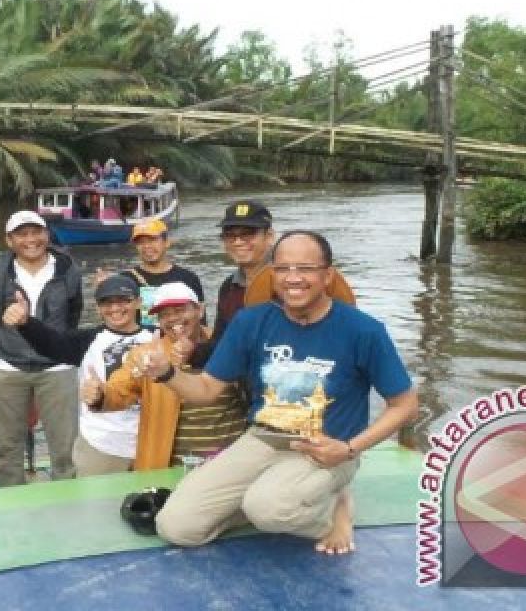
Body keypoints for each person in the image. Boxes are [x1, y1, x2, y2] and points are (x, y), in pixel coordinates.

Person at [138, 231, 418, 554]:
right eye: (283, 269)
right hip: (261, 438)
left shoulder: (363, 330)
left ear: (327, 276)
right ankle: (257, 503)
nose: (293, 278)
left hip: (325, 449)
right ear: (272, 275)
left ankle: (336, 508)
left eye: (305, 269)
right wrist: (166, 373)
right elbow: (205, 390)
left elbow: (405, 405)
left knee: (269, 509)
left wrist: (349, 449)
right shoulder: (250, 322)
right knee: (176, 527)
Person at [3, 274, 155, 476]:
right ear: (98, 308)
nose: (115, 309)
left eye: (123, 301)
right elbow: (51, 342)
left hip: (153, 441)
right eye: (106, 303)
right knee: (98, 506)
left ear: (138, 302)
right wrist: (26, 323)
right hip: (102, 445)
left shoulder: (157, 336)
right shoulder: (87, 341)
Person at [0, 210, 85, 486]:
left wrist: (61, 346)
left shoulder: (68, 270)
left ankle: (68, 501)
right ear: (9, 240)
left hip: (57, 367)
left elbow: (74, 312)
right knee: (6, 447)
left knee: (67, 446)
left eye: (36, 232)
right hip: (7, 367)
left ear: (47, 235)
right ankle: (11, 501)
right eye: (22, 234)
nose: (31, 239)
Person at [93, 282, 246, 470]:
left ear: (200, 310)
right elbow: (121, 390)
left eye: (180, 310)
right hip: (172, 464)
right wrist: (100, 395)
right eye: (164, 314)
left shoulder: (228, 343)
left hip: (234, 461)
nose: (173, 318)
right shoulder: (146, 354)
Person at [211, 199, 356, 348]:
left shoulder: (305, 282)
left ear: (269, 236)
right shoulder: (229, 287)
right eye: (230, 235)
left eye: (247, 234)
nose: (238, 242)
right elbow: (220, 343)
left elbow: (344, 330)